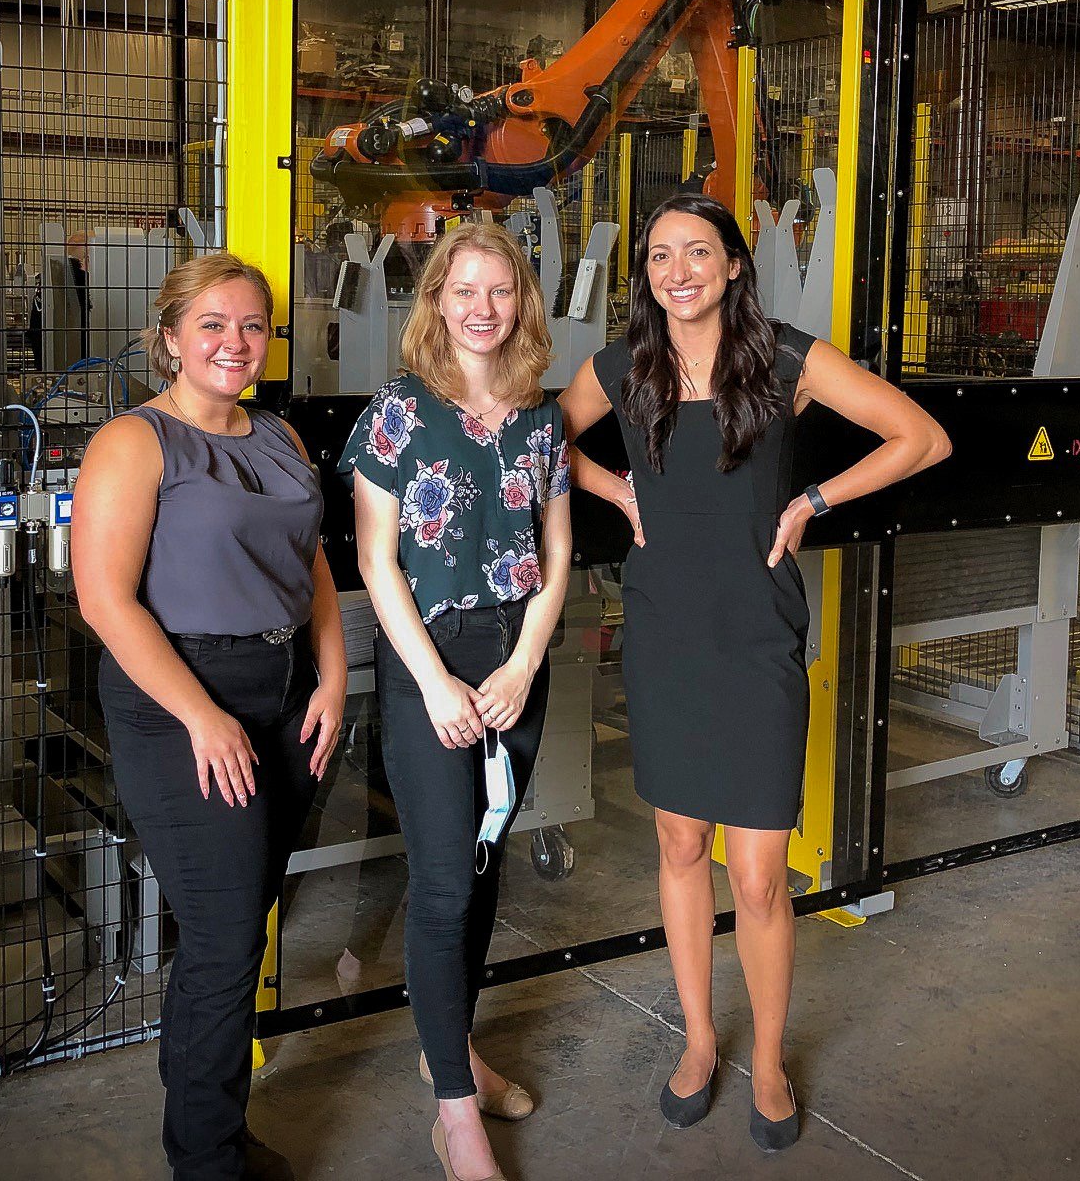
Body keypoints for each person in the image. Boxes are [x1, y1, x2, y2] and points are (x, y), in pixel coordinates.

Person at [559, 192, 950, 1156]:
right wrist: (614, 485)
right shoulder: (625, 366)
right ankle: (698, 1042)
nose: (677, 270)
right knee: (682, 843)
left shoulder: (788, 359)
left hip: (757, 635)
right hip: (664, 632)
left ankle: (767, 1058)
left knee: (761, 872)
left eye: (698, 252)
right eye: (658, 256)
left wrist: (815, 496)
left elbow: (922, 438)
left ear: (735, 264)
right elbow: (536, 443)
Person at [71, 252, 348, 1181]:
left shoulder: (280, 437)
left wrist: (334, 676)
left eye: (252, 327)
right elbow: (107, 603)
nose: (235, 344)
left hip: (283, 694)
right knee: (228, 939)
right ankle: (207, 1161)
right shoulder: (135, 443)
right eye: (214, 325)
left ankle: (209, 1126)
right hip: (179, 700)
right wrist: (201, 716)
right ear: (171, 338)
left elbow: (311, 565)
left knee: (243, 922)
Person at [340, 222, 574, 1181]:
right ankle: (455, 1116)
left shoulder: (539, 414)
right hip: (426, 660)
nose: (482, 308)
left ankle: (461, 1053)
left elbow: (557, 556)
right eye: (463, 290)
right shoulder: (398, 410)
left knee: (481, 872)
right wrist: (435, 681)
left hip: (515, 658)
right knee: (441, 883)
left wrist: (521, 665)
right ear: (434, 299)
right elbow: (374, 558)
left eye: (501, 291)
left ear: (521, 302)